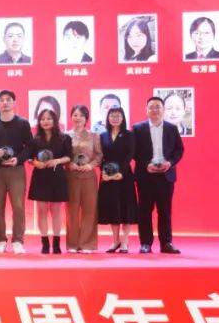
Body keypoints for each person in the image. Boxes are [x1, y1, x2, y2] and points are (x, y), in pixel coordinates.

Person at [133, 96, 185, 254]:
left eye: (158, 107)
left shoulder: (171, 128)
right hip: (145, 175)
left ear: (163, 110)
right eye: (151, 107)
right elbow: (134, 151)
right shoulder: (138, 128)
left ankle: (166, 243)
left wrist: (170, 163)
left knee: (165, 211)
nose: (155, 110)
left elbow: (179, 149)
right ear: (146, 110)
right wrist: (146, 165)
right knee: (144, 211)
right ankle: (145, 243)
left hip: (166, 175)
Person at [0, 90, 32, 254]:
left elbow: (30, 147)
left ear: (14, 103)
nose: (5, 102)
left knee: (18, 207)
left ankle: (18, 240)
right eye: (2, 100)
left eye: (8, 100)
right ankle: (1, 240)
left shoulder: (22, 123)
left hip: (16, 170)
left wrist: (18, 159)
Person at [28, 109, 72, 255]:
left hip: (57, 175)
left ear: (55, 120)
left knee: (56, 210)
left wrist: (57, 161)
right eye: (42, 119)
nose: (45, 121)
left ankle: (57, 242)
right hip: (40, 176)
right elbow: (29, 158)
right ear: (39, 122)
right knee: (41, 211)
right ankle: (45, 242)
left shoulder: (64, 138)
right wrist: (35, 163)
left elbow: (69, 157)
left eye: (49, 118)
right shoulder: (35, 139)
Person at [98, 106, 137, 253]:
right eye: (112, 115)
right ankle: (115, 241)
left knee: (126, 208)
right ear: (108, 118)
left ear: (123, 118)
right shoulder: (103, 136)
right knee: (112, 208)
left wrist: (121, 172)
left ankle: (125, 242)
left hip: (124, 176)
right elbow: (100, 156)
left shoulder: (129, 135)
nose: (115, 118)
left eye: (118, 115)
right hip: (108, 177)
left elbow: (130, 155)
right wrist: (103, 172)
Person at [64, 105, 101, 253]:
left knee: (90, 210)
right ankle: (72, 244)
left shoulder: (94, 136)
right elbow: (62, 154)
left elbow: (99, 155)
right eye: (75, 115)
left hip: (88, 177)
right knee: (71, 211)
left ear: (86, 118)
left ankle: (87, 244)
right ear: (71, 117)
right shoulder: (65, 136)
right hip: (71, 176)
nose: (77, 118)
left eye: (81, 115)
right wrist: (69, 164)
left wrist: (90, 165)